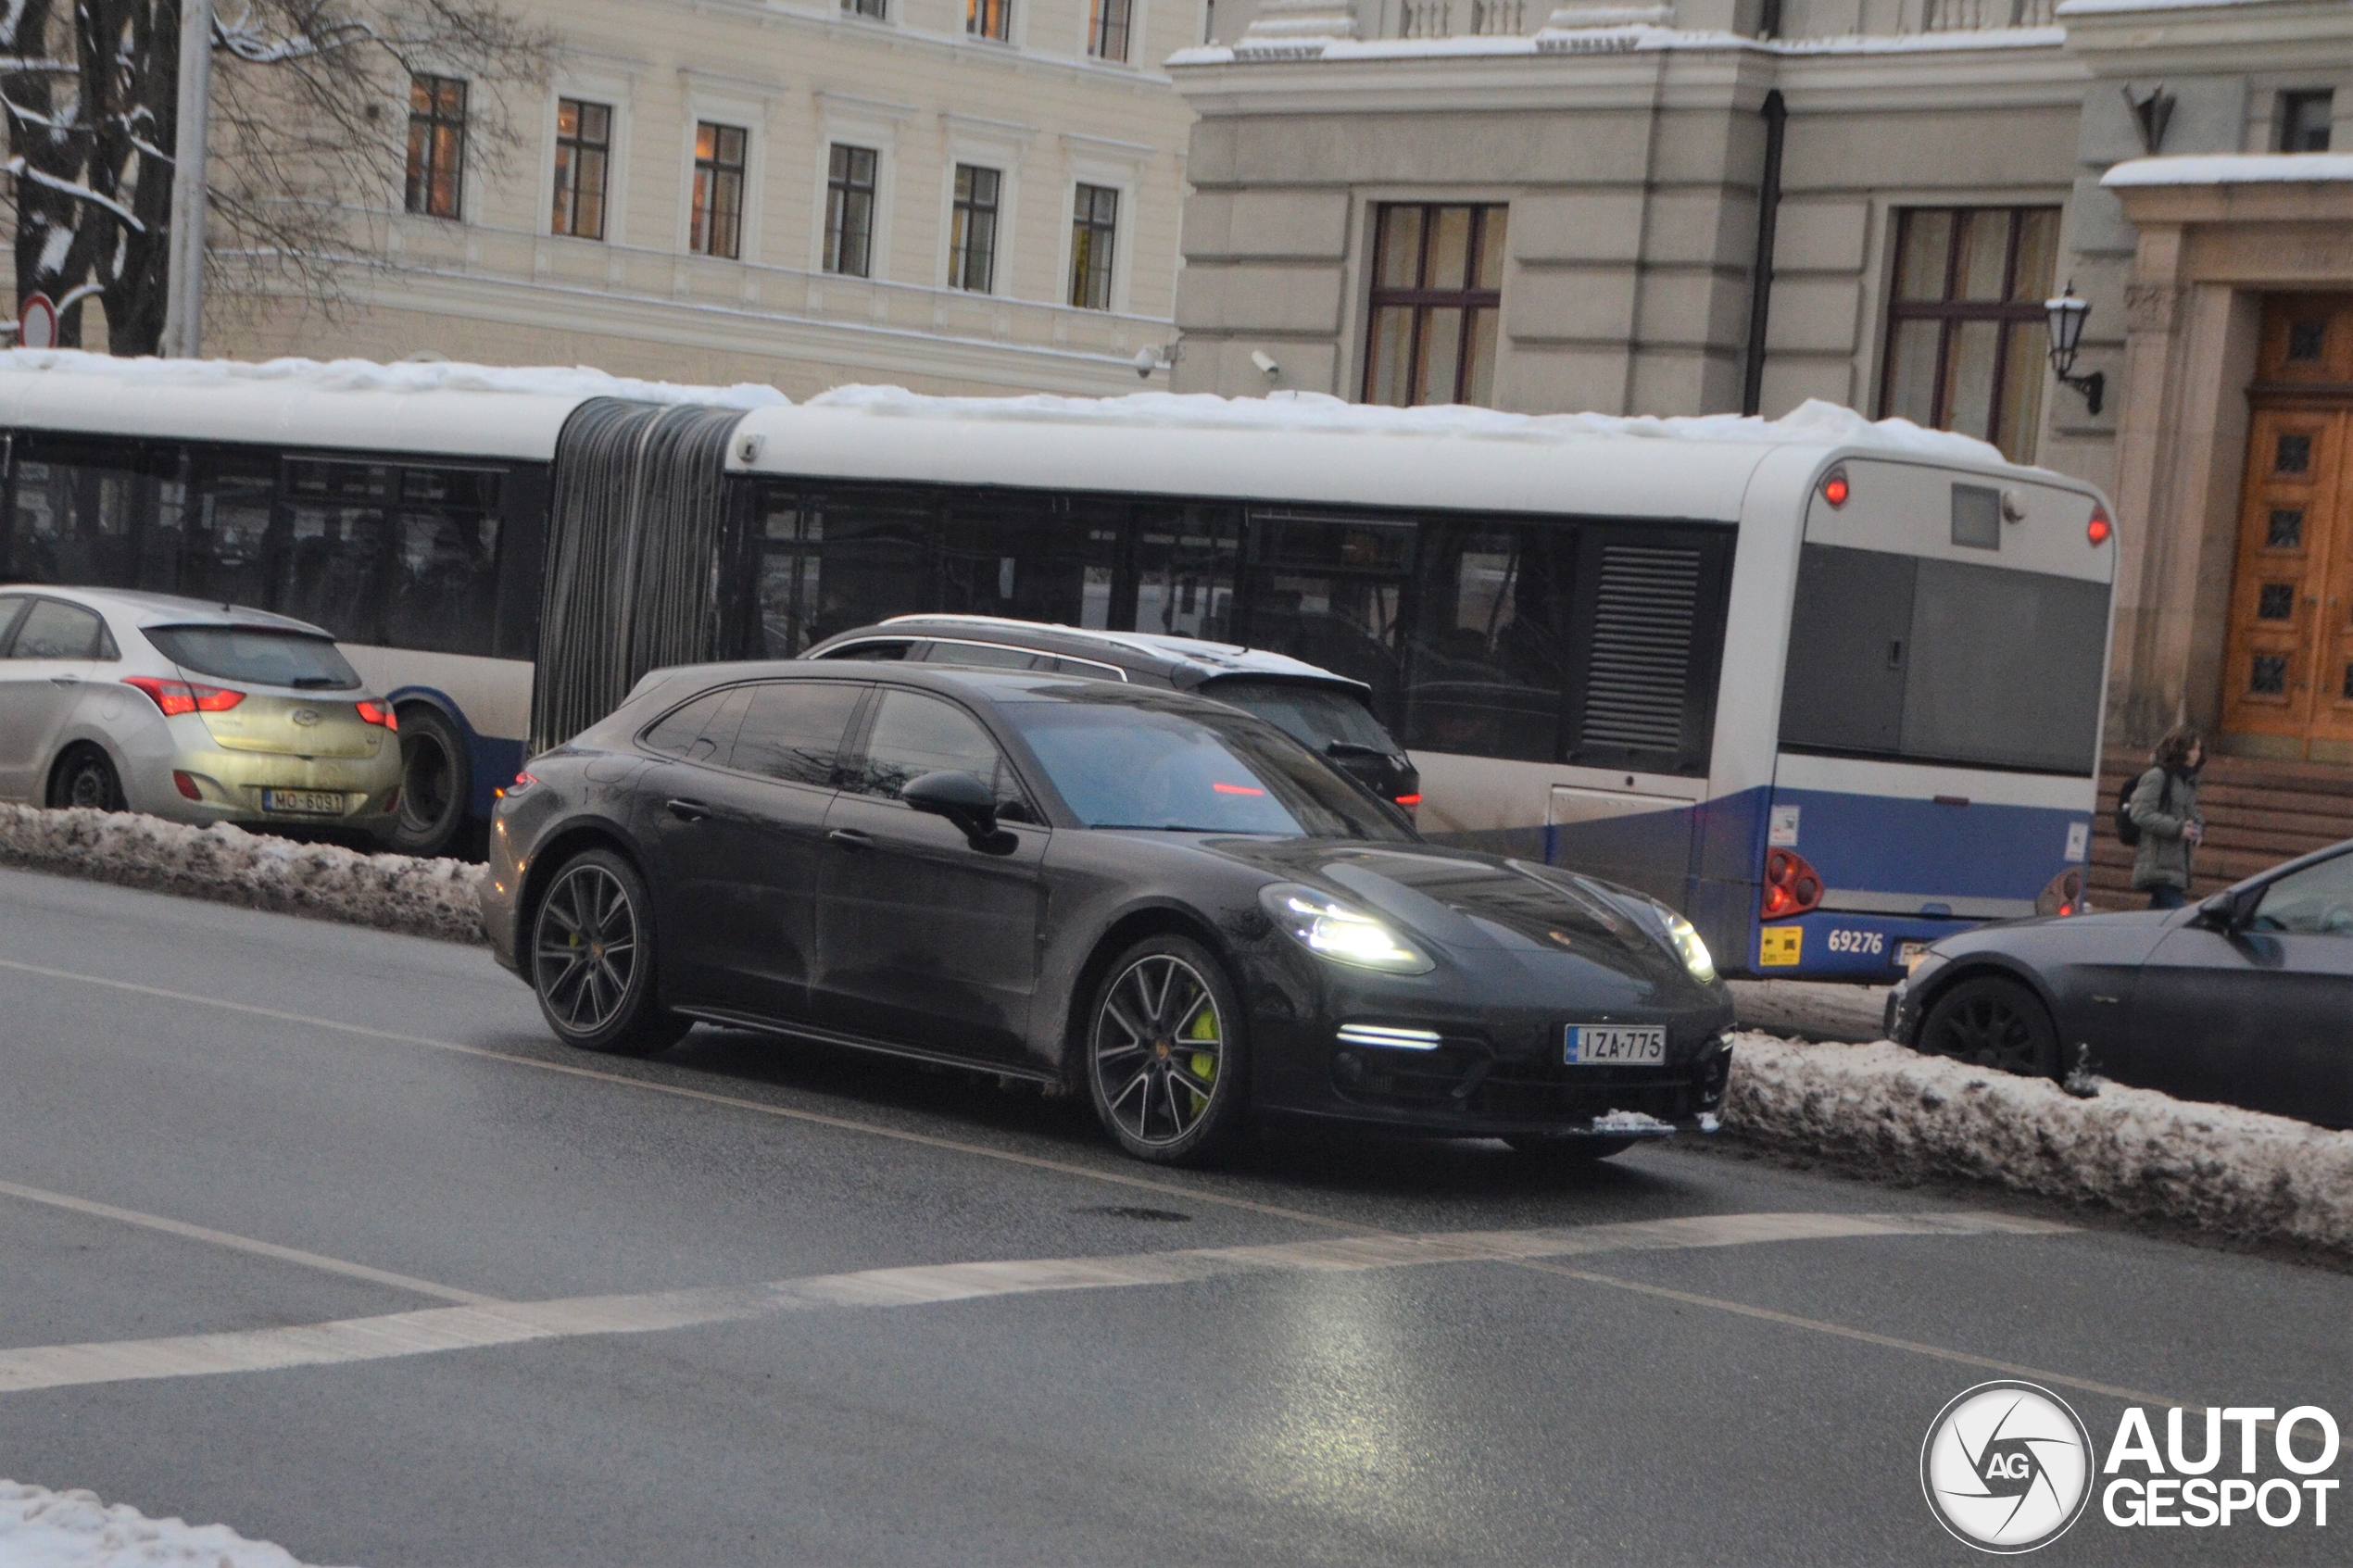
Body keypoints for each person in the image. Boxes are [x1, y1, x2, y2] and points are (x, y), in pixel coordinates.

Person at [2127, 728, 2206, 910]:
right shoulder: (2157, 776)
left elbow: (2190, 812)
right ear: (2179, 750)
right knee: (2177, 918)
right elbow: (2140, 813)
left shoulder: (2188, 780)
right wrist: (2178, 829)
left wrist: (2198, 827)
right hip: (2159, 864)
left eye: (2199, 749)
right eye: (2192, 748)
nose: (2196, 754)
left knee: (2158, 921)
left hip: (2176, 864)